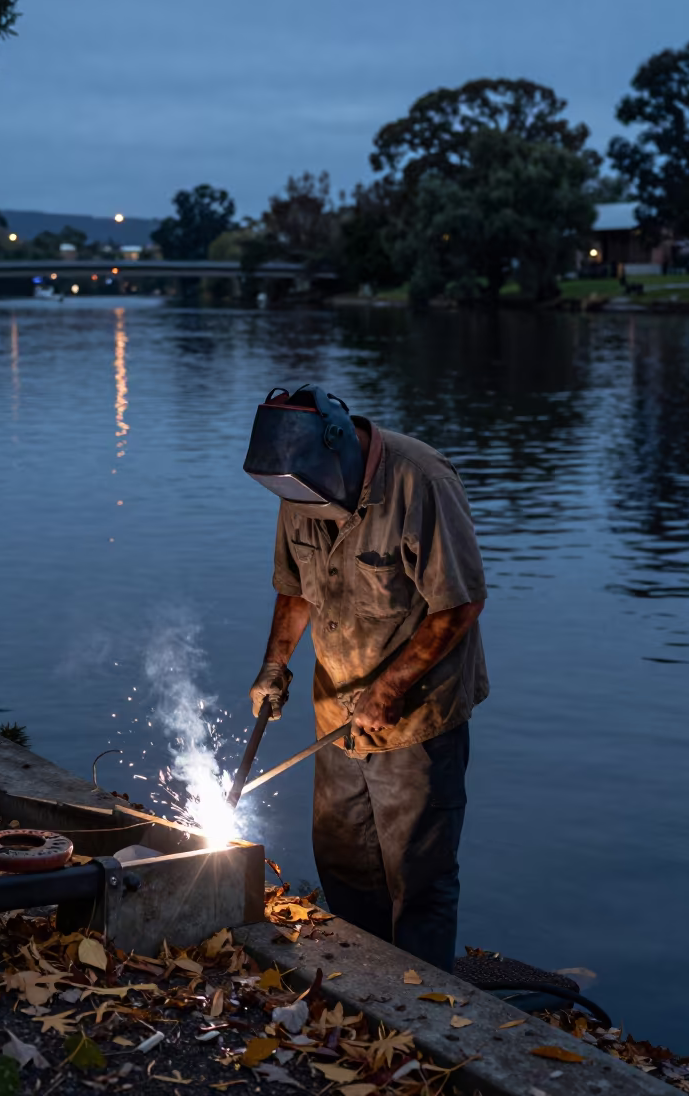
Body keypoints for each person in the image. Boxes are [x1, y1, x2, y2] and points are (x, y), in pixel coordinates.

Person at [243, 384, 488, 973]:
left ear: (342, 451)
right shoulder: (297, 481)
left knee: (416, 876)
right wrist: (274, 666)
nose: (306, 509)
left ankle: (424, 1011)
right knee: (344, 862)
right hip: (338, 711)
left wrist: (389, 689)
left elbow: (460, 605)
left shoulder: (420, 482)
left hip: (416, 717)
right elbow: (295, 588)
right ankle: (361, 989)